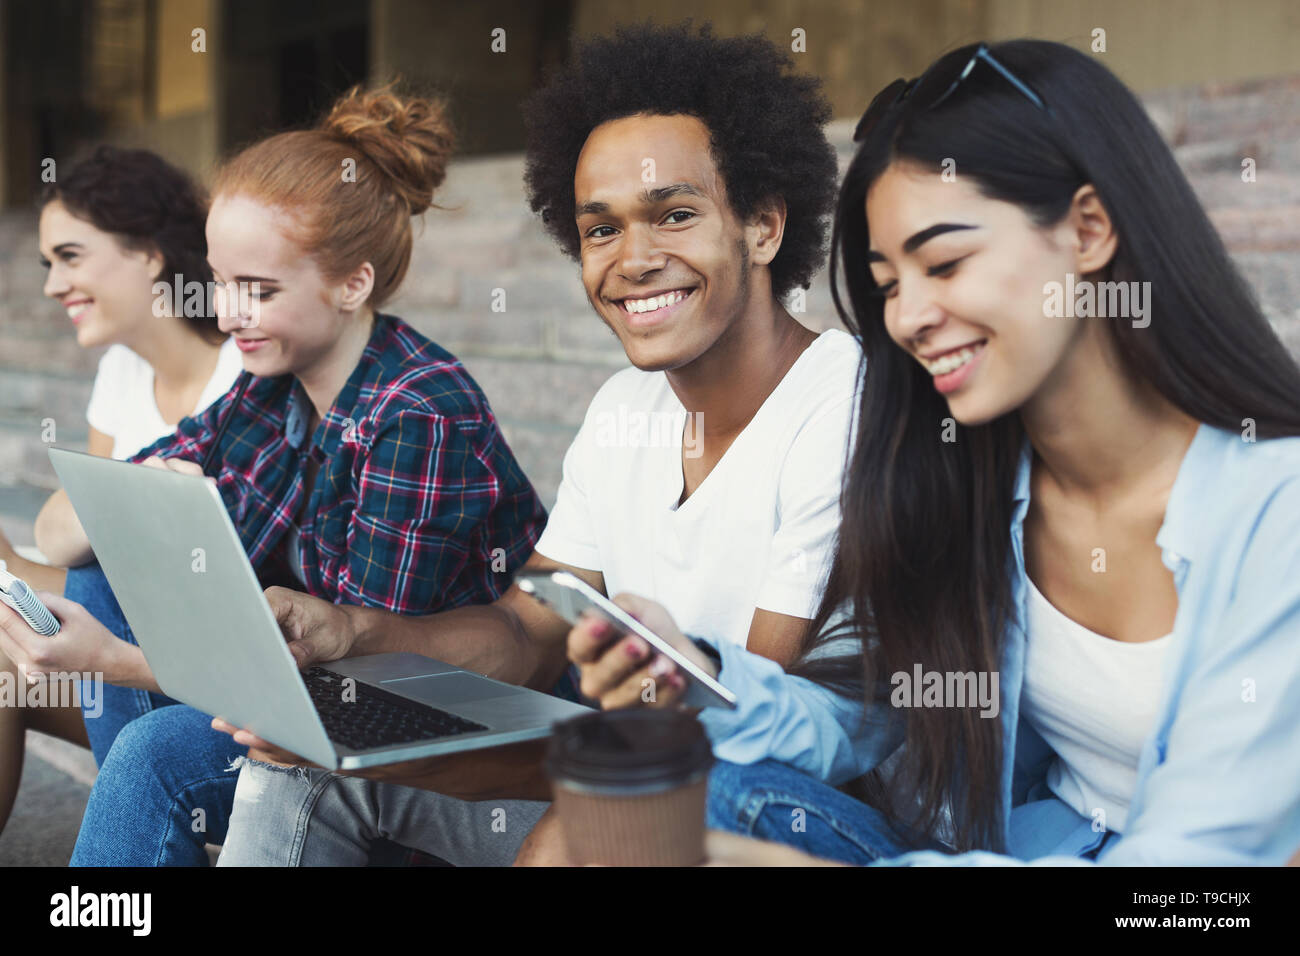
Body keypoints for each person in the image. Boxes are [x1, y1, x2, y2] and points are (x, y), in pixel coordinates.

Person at [567, 40, 1300, 866]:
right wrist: (696, 673)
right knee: (699, 789)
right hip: (1042, 847)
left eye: (945, 263)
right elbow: (865, 713)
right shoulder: (976, 481)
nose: (908, 317)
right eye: (887, 283)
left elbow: (1203, 873)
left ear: (1089, 231)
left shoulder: (1276, 509)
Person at [210, 22, 858, 867]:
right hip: (632, 777)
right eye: (601, 230)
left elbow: (743, 737)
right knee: (299, 771)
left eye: (675, 215)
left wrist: (454, 760)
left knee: (593, 819)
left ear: (765, 226)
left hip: (775, 818)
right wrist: (345, 631)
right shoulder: (622, 411)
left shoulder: (841, 403)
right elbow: (524, 636)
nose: (634, 259)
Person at [0, 86, 548, 865]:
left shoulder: (419, 411)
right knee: (94, 583)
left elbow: (362, 680)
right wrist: (138, 501)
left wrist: (110, 661)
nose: (226, 315)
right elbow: (63, 526)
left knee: (152, 755)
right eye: (221, 283)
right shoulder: (266, 393)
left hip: (432, 723)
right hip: (307, 689)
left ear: (352, 283)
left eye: (256, 290)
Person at [0, 146, 240, 838]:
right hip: (125, 645)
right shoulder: (123, 372)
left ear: (148, 255)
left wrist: (112, 506)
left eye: (70, 257)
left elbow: (89, 537)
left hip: (194, 674)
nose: (53, 284)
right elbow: (59, 530)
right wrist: (134, 492)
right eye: (49, 263)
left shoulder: (242, 369)